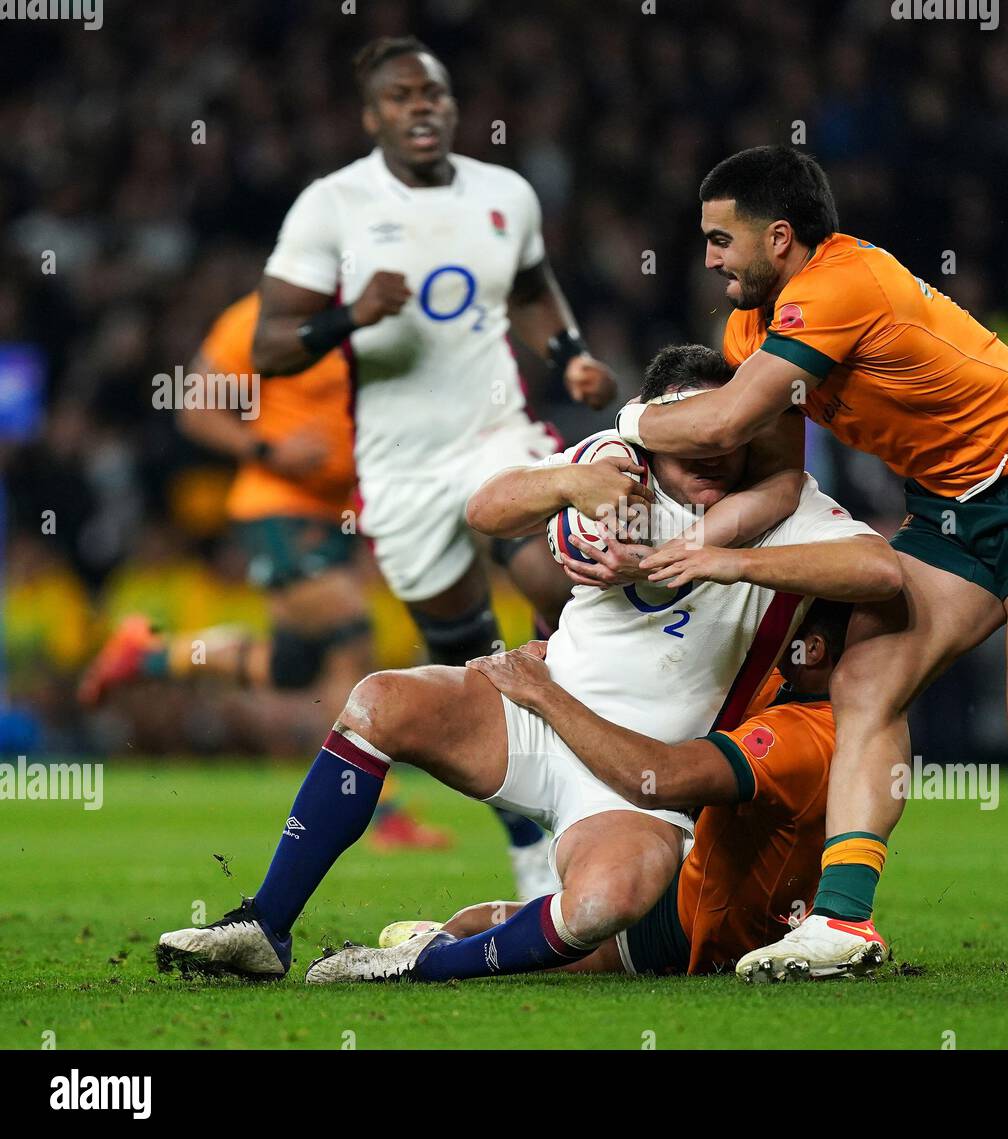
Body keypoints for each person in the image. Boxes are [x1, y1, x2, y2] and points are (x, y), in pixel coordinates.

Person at [616, 146, 1008, 981]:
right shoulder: (750, 326)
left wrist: (631, 420)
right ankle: (846, 921)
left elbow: (720, 422)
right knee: (863, 683)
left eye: (720, 239)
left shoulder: (842, 285)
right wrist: (704, 538)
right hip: (950, 512)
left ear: (779, 237)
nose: (707, 258)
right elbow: (772, 466)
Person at [154, 345, 900, 982]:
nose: (707, 453)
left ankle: (420, 963)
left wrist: (728, 562)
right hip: (529, 709)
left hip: (637, 785)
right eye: (688, 437)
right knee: (379, 700)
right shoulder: (616, 467)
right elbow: (486, 507)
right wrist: (567, 482)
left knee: (605, 905)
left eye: (722, 435)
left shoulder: (792, 512)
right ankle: (265, 926)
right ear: (655, 425)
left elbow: (882, 571)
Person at [250, 35, 621, 891]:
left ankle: (599, 796)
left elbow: (528, 286)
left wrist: (567, 354)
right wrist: (349, 316)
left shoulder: (505, 193)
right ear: (372, 114)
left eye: (436, 93)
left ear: (453, 107)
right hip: (401, 469)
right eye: (402, 96)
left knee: (560, 584)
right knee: (469, 654)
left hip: (497, 435)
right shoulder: (331, 206)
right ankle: (528, 833)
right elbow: (268, 348)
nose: (422, 106)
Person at [78, 290, 444, 850]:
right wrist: (270, 451)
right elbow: (196, 408)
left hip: (332, 513)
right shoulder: (258, 317)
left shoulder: (371, 316)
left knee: (292, 667)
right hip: (275, 507)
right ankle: (384, 814)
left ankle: (146, 654)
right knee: (352, 635)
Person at [371, 598, 858, 980]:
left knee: (576, 926)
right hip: (694, 879)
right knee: (494, 917)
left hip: (700, 933)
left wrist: (545, 692)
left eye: (788, 623)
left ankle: (424, 964)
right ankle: (435, 939)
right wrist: (569, 658)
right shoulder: (809, 698)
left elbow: (658, 778)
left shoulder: (802, 735)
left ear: (811, 649)